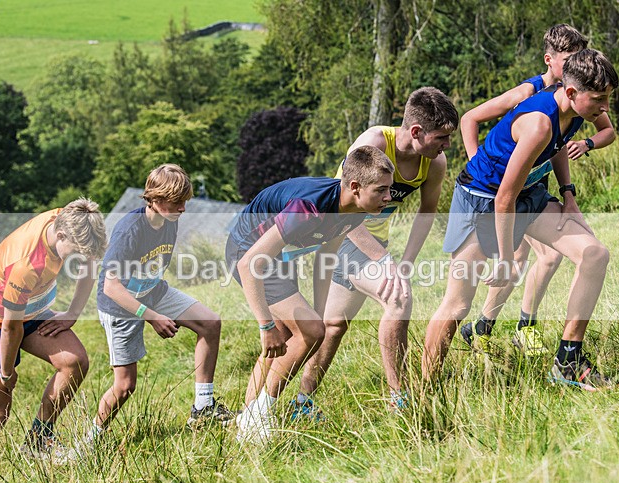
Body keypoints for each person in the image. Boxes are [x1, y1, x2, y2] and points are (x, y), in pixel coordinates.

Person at [423, 49, 619, 392]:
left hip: (528, 197)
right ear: (571, 93)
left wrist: (568, 194)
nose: (604, 108)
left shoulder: (571, 113)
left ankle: (568, 361)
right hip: (481, 200)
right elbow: (503, 199)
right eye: (599, 99)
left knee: (594, 255)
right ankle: (426, 391)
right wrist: (503, 258)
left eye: (607, 99)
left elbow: (558, 148)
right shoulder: (538, 122)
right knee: (457, 305)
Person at [293, 87, 458, 417]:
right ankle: (402, 400)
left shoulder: (434, 163)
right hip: (341, 238)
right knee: (399, 298)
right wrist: (385, 262)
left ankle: (302, 403)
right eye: (441, 137)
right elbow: (341, 209)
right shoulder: (373, 143)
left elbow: (427, 212)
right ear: (416, 132)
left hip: (373, 246)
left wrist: (406, 262)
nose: (447, 146)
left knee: (334, 325)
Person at [458, 24, 617, 357]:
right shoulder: (531, 97)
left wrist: (569, 192)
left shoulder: (575, 107)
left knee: (560, 255)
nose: (576, 63)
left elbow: (563, 146)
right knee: (513, 261)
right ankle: (488, 326)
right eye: (570, 59)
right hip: (496, 194)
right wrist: (482, 168)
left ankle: (526, 333)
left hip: (533, 191)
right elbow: (470, 119)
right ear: (551, 60)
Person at [227, 145, 394, 443]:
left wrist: (319, 311)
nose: (388, 198)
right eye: (381, 190)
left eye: (389, 190)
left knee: (299, 331)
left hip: (275, 255)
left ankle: (247, 417)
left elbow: (325, 259)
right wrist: (265, 325)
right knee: (303, 330)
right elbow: (248, 263)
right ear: (355, 187)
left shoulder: (354, 211)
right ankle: (259, 416)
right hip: (248, 252)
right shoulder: (308, 207)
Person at [73, 164, 234, 456]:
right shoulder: (129, 230)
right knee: (125, 387)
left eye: (185, 200)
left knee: (210, 323)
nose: (183, 208)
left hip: (152, 291)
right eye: (177, 202)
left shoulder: (170, 220)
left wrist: (154, 306)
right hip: (120, 306)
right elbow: (112, 287)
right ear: (155, 199)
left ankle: (202, 407)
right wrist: (152, 316)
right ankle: (89, 442)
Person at [0, 198, 107, 476]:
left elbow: (89, 262)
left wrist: (73, 312)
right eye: (74, 252)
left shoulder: (71, 219)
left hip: (31, 309)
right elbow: (10, 327)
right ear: (61, 234)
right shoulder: (27, 263)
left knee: (74, 362)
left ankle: (38, 442)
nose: (77, 259)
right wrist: (5, 372)